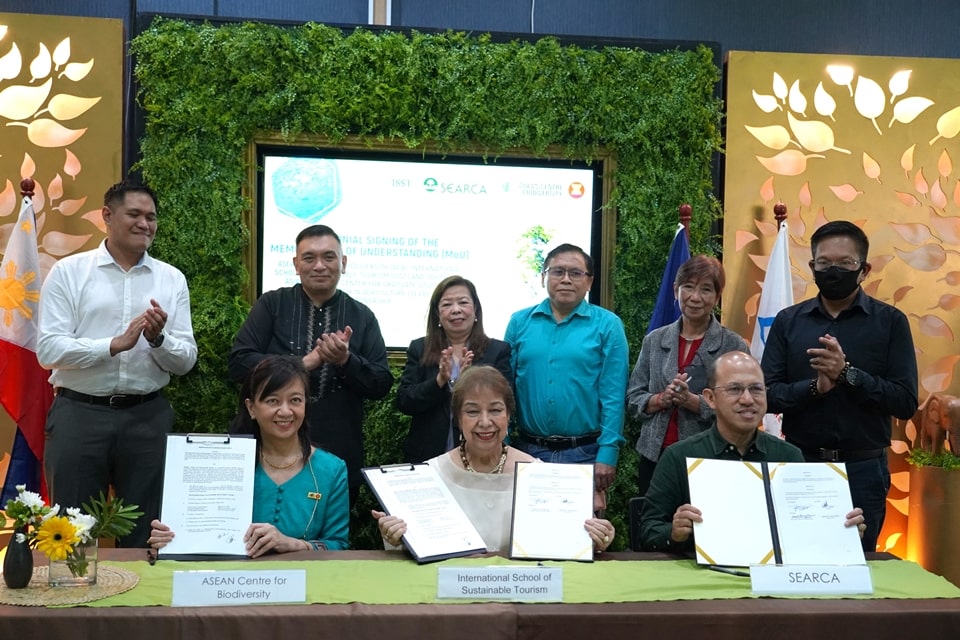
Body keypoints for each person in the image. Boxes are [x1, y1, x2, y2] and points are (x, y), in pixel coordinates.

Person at [37, 179, 198, 548]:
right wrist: (113, 345)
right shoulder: (69, 272)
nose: (145, 224)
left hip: (147, 417)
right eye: (135, 215)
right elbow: (48, 349)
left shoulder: (171, 279)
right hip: (80, 414)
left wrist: (158, 340)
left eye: (152, 217)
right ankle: (73, 598)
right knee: (71, 529)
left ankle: (141, 607)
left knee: (145, 532)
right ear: (107, 216)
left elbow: (186, 360)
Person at [761, 220, 918, 552]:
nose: (833, 271)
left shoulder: (890, 322)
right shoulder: (789, 321)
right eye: (824, 264)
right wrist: (815, 388)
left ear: (864, 269)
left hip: (863, 470)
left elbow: (904, 401)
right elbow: (767, 395)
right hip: (800, 464)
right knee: (794, 555)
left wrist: (848, 375)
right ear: (812, 268)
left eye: (845, 264)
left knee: (859, 568)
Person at [228, 225, 393, 502]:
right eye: (309, 258)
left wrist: (345, 360)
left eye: (329, 257)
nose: (319, 266)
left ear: (343, 263)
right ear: (296, 264)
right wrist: (304, 362)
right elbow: (239, 363)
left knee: (328, 538)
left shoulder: (362, 315)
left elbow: (381, 383)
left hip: (337, 447)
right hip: (266, 447)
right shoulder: (272, 305)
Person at [640, 351, 865, 552]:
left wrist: (841, 531)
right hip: (702, 581)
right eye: (735, 389)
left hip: (777, 583)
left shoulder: (789, 457)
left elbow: (807, 531)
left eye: (756, 389)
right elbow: (648, 531)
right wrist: (673, 533)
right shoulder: (680, 457)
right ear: (710, 398)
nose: (747, 399)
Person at [375, 366, 614, 553]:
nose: (485, 421)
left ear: (509, 415)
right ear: (457, 418)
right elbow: (411, 549)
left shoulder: (537, 473)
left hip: (521, 595)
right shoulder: (430, 474)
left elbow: (565, 544)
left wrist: (593, 538)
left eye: (495, 410)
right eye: (472, 411)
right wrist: (395, 535)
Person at [148, 356, 349, 555]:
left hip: (306, 582)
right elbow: (197, 533)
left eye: (295, 400)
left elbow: (338, 545)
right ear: (251, 407)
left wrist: (295, 545)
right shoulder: (219, 464)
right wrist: (171, 537)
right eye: (273, 401)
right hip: (231, 581)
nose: (286, 411)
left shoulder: (331, 470)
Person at [504, 243, 629, 503]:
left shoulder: (608, 326)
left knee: (582, 538)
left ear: (589, 282)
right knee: (528, 537)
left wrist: (608, 453)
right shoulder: (519, 323)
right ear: (543, 277)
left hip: (585, 453)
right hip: (527, 452)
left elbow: (613, 395)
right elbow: (505, 390)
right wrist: (502, 446)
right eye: (557, 271)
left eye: (575, 273)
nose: (565, 279)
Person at [626, 255, 749, 496]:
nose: (695, 297)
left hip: (711, 457)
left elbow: (744, 408)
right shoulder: (655, 340)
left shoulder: (732, 344)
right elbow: (633, 397)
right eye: (688, 287)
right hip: (655, 456)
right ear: (676, 290)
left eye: (705, 289)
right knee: (655, 526)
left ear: (717, 296)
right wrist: (661, 399)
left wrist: (696, 403)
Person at [397, 275, 512, 463]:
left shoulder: (497, 351)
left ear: (475, 310)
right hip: (428, 454)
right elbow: (405, 402)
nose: (456, 310)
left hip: (482, 454)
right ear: (438, 315)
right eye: (447, 304)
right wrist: (439, 381)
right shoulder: (420, 348)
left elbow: (506, 402)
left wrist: (470, 383)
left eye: (463, 302)